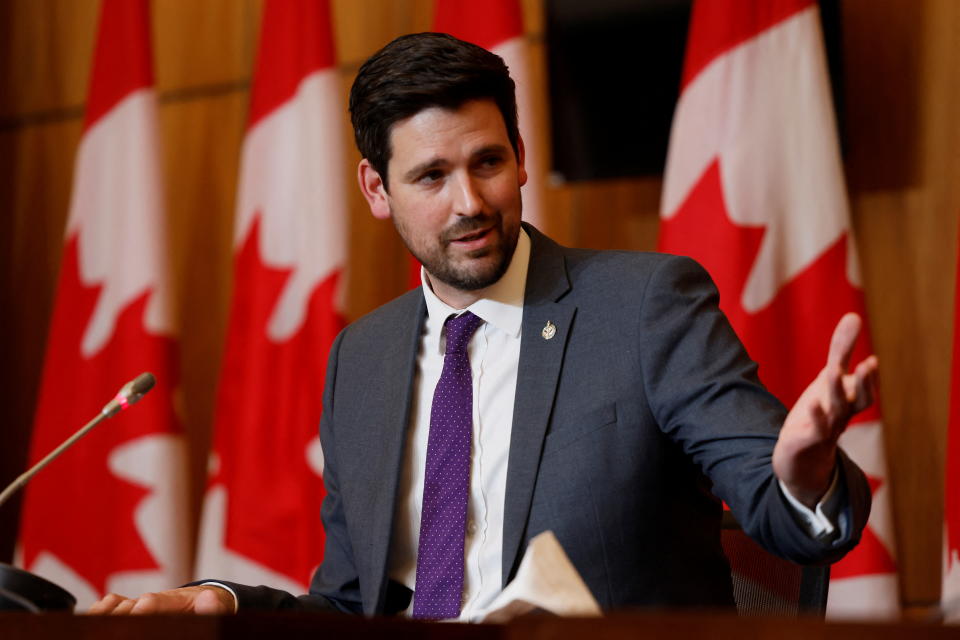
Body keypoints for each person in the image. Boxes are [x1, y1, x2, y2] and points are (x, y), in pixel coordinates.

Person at [91, 32, 875, 619]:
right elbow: (350, 609)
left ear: (523, 155)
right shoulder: (360, 360)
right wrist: (225, 603)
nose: (469, 202)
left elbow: (790, 525)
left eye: (488, 163)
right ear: (376, 188)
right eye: (431, 176)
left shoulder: (643, 307)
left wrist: (805, 476)